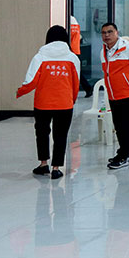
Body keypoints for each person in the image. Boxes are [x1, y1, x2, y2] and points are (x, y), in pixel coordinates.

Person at [16, 25, 80, 180]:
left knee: (42, 133)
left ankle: (43, 164)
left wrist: (20, 91)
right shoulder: (72, 58)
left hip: (42, 103)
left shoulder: (40, 57)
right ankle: (56, 168)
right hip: (64, 103)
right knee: (61, 135)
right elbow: (76, 83)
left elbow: (31, 80)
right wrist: (72, 99)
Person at [100, 22, 129, 170]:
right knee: (119, 126)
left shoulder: (128, 49)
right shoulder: (103, 52)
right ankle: (124, 152)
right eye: (104, 33)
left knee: (127, 126)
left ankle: (123, 155)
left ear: (116, 33)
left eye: (110, 32)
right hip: (114, 95)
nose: (107, 35)